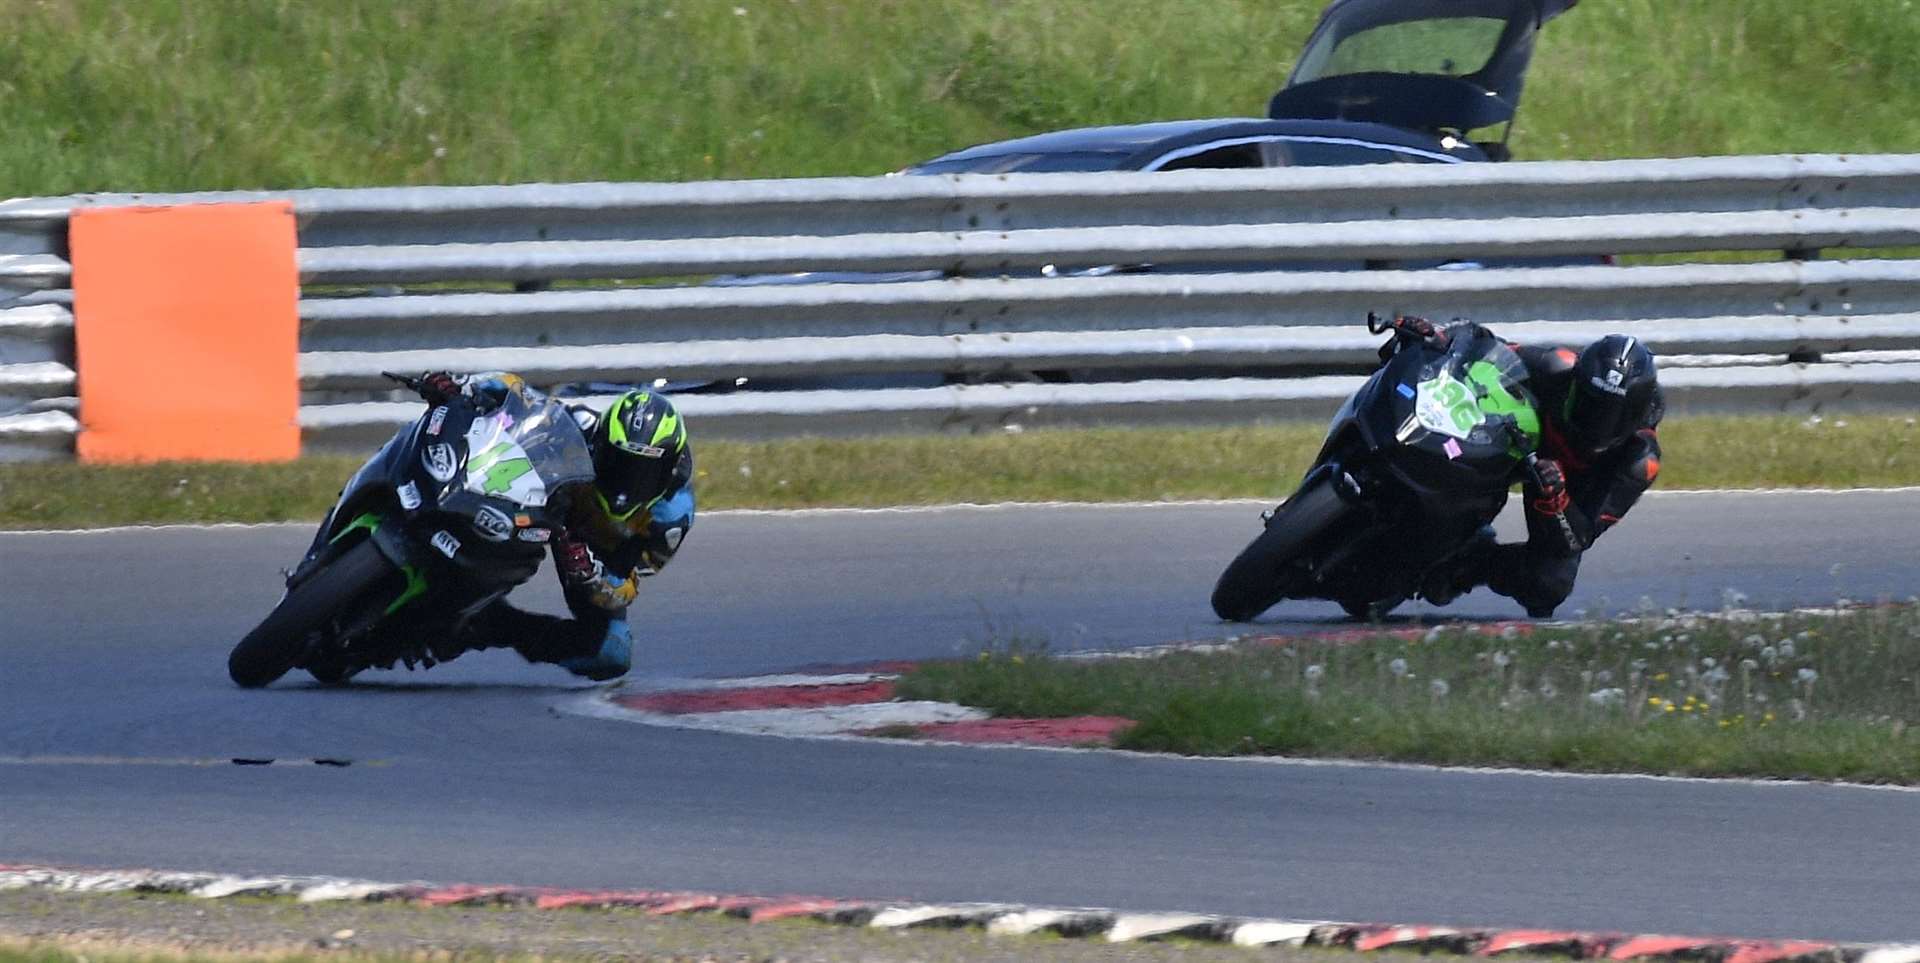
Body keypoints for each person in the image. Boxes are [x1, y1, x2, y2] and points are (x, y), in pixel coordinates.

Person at [412, 371, 694, 680]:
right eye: (618, 462)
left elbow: (630, 581)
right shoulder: (582, 426)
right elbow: (520, 393)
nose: (628, 481)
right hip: (545, 501)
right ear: (601, 443)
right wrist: (465, 384)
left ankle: (487, 624)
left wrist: (592, 577)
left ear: (669, 469)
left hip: (589, 552)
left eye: (645, 473)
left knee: (611, 653)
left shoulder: (671, 517)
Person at [1380, 315, 1663, 618]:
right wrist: (1439, 336)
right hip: (1516, 437)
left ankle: (1472, 562)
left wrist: (1556, 499)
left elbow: (1579, 536)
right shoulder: (1558, 364)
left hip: (1563, 489)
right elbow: (1487, 345)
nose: (1594, 420)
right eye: (1587, 402)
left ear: (1634, 416)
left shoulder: (1639, 461)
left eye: (1610, 416)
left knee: (1548, 585)